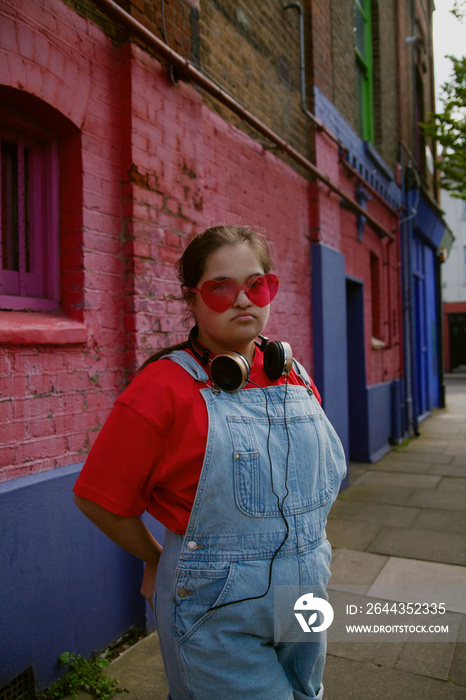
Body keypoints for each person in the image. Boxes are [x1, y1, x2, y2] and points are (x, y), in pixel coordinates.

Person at [73, 224, 347, 700]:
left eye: (256, 284)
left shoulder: (293, 374)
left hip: (305, 594)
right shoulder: (161, 388)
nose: (243, 300)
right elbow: (98, 499)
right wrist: (157, 560)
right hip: (216, 608)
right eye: (222, 288)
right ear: (192, 299)